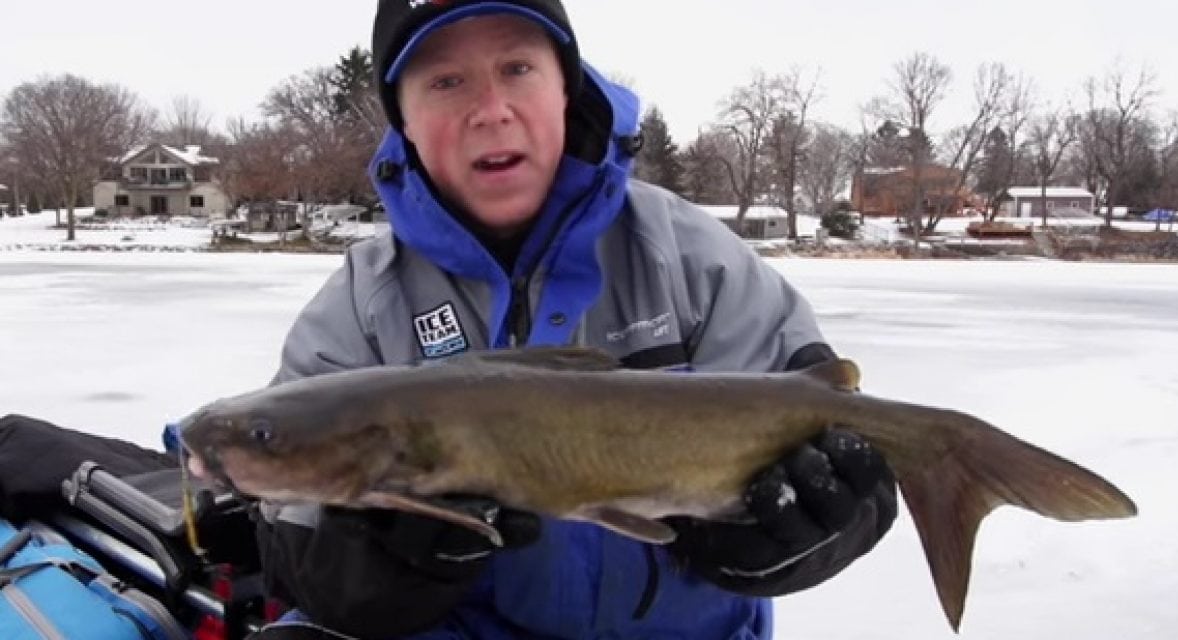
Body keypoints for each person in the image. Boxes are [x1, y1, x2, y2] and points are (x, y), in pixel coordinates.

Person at [240, 1, 899, 637]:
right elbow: (295, 556)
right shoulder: (359, 307)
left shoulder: (692, 259)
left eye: (518, 69)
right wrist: (380, 570)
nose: (491, 112)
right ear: (402, 121)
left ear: (566, 87)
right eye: (446, 81)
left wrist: (780, 538)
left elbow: (846, 450)